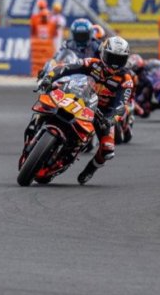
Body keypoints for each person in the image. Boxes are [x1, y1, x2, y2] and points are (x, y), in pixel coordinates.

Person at [37, 36, 134, 184]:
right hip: (81, 99)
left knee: (108, 149)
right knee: (48, 101)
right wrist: (49, 78)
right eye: (111, 58)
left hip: (102, 114)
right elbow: (66, 68)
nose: (114, 64)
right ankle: (37, 126)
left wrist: (111, 119)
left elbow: (121, 105)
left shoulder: (126, 80)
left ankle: (90, 169)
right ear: (103, 53)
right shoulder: (91, 63)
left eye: (119, 60)